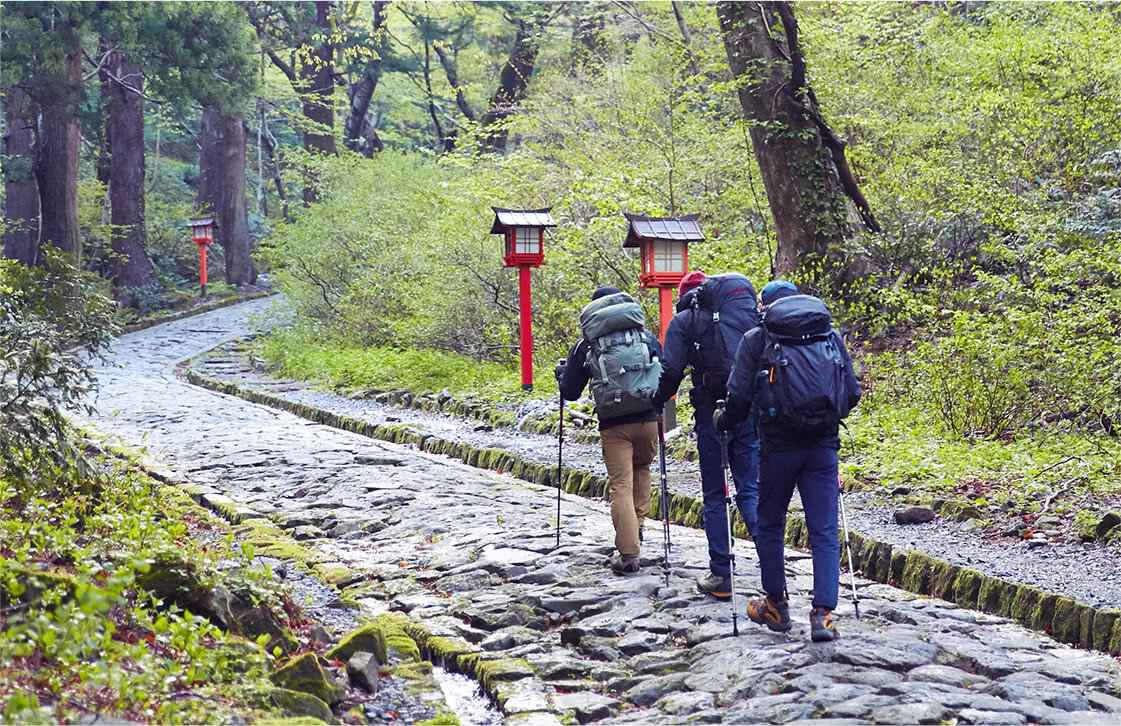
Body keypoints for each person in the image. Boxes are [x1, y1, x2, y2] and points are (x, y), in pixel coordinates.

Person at [716, 280, 861, 642]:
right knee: (823, 529)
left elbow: (737, 399)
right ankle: (823, 614)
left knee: (770, 524)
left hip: (778, 447)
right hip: (822, 446)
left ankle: (776, 605)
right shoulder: (828, 335)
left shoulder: (757, 339)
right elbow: (853, 392)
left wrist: (723, 421)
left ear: (766, 307)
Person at [651, 271, 761, 600]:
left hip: (709, 415)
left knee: (715, 494)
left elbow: (671, 371)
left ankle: (721, 574)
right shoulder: (742, 315)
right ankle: (772, 566)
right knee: (750, 490)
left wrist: (659, 405)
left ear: (686, 295)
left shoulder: (684, 321)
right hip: (747, 409)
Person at [555, 286, 664, 575]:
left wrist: (562, 373)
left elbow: (571, 392)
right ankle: (637, 527)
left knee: (620, 485)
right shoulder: (644, 336)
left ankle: (629, 555)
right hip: (647, 420)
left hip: (615, 426)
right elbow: (663, 371)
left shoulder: (587, 344)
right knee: (642, 469)